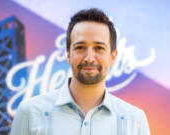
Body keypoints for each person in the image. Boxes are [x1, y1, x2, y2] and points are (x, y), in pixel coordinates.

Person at [10, 8, 151, 135]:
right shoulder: (30, 113)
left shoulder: (135, 121)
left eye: (99, 48)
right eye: (80, 47)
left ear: (113, 57)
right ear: (68, 55)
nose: (89, 58)